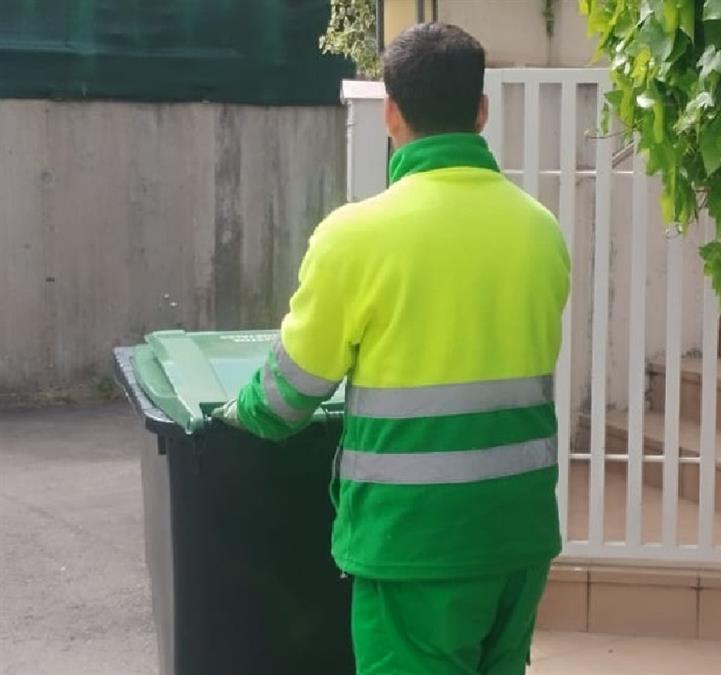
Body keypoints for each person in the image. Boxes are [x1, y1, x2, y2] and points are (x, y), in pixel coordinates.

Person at [212, 22, 570, 675]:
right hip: (518, 533)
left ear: (391, 113)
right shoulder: (540, 232)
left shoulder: (355, 238)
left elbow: (287, 396)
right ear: (481, 111)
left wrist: (235, 412)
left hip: (414, 543)